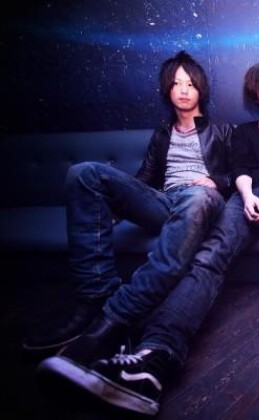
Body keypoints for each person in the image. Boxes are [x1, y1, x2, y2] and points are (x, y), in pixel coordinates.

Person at [38, 61, 259, 416]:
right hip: (243, 199)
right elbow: (239, 171)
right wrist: (247, 197)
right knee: (208, 260)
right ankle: (153, 358)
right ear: (256, 96)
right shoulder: (242, 133)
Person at [34, 49, 233, 380]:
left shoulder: (222, 130)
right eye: (176, 83)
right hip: (165, 201)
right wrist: (117, 208)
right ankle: (95, 296)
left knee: (198, 197)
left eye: (190, 83)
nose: (183, 90)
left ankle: (119, 316)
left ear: (201, 89)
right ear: (167, 89)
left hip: (203, 199)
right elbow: (143, 180)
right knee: (83, 173)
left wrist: (217, 180)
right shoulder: (162, 133)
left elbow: (240, 173)